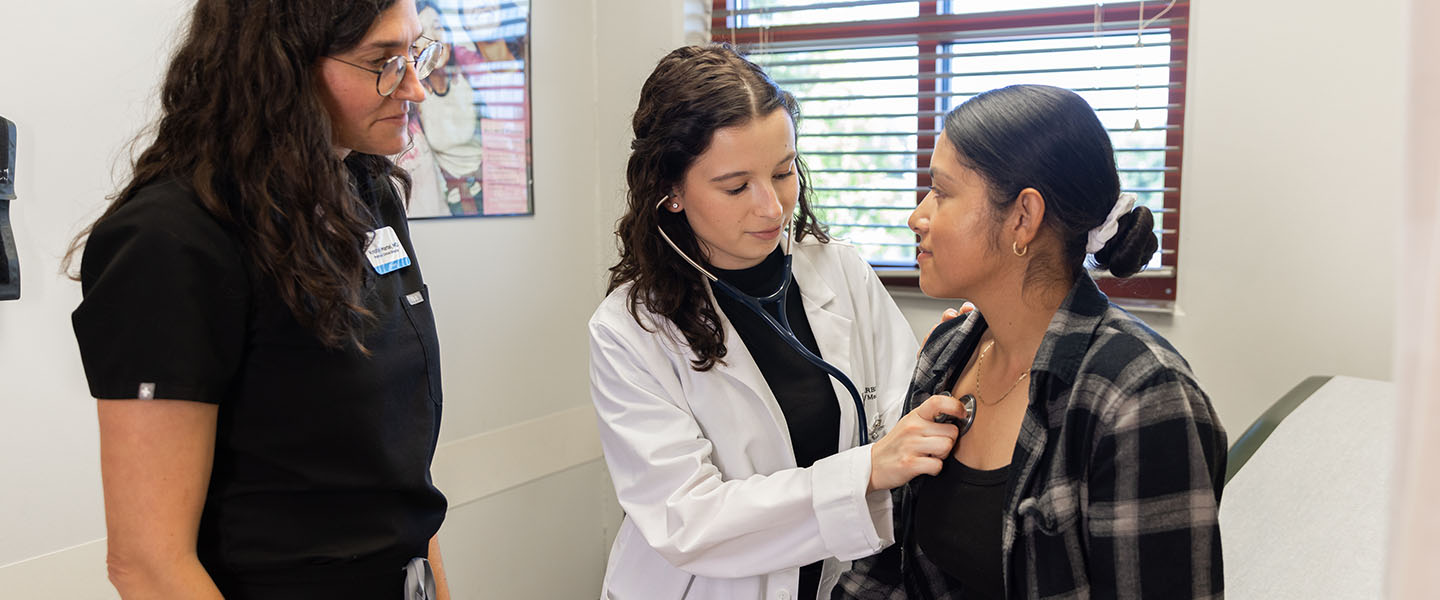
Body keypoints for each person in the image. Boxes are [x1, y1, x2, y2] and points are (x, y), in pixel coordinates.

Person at [67, 1, 453, 598]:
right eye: (383, 62)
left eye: (416, 54)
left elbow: (395, 481)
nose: (415, 88)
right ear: (282, 68)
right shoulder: (172, 240)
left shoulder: (364, 190)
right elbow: (147, 562)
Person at [588, 45, 969, 600]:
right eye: (736, 186)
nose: (772, 207)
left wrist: (942, 371)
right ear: (669, 189)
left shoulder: (839, 271)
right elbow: (688, 522)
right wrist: (864, 471)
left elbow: (899, 430)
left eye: (784, 172)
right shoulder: (629, 331)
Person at [834, 84, 1227, 599]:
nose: (918, 217)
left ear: (1023, 216)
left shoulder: (1140, 396)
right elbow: (894, 570)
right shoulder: (948, 352)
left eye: (942, 192)